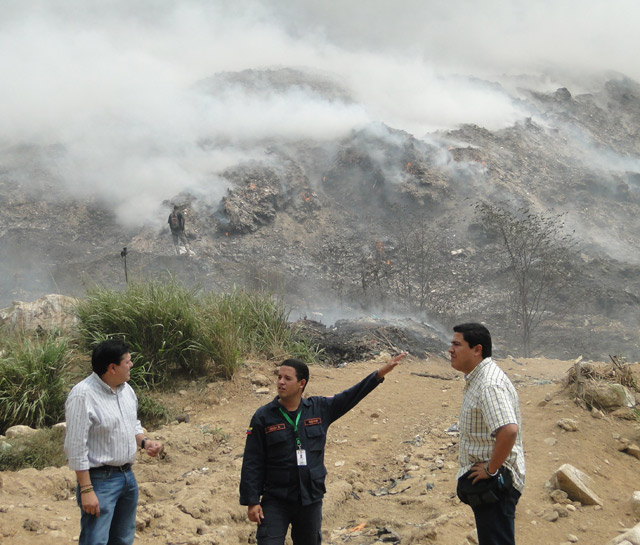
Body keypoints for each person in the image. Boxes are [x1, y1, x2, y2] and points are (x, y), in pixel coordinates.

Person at [240, 353, 405, 545]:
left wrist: (379, 374)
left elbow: (350, 396)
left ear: (301, 383)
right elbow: (252, 460)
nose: (281, 382)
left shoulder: (319, 408)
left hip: (310, 499)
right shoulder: (263, 417)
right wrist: (252, 501)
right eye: (279, 377)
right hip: (276, 499)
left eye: (287, 378)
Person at [64, 339, 163, 545]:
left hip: (127, 476)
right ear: (112, 367)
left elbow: (132, 425)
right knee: (96, 540)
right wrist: (87, 489)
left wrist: (145, 442)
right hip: (100, 480)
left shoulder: (126, 390)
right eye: (127, 361)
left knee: (123, 539)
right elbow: (75, 447)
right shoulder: (83, 395)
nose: (131, 365)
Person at [449, 323, 525, 545]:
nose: (450, 349)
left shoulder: (489, 384)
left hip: (496, 485)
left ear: (477, 349)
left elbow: (509, 430)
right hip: (491, 485)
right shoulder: (480, 378)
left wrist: (491, 470)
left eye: (456, 344)